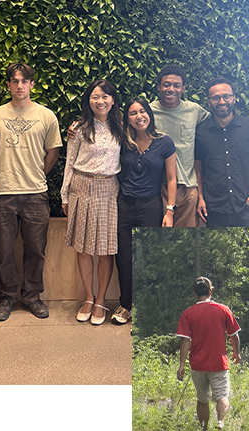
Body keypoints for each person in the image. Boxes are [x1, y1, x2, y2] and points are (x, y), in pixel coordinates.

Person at [0, 63, 62, 322]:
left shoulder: (46, 116)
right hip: (3, 192)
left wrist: (39, 173)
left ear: (32, 84)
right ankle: (7, 296)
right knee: (3, 250)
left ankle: (32, 295)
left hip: (35, 193)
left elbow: (53, 150)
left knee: (36, 249)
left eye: (25, 81)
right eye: (15, 81)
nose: (20, 85)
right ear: (8, 85)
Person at [60, 79, 122, 326]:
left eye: (105, 96)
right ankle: (88, 297)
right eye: (95, 96)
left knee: (106, 249)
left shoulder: (122, 127)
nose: (100, 101)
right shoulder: (79, 128)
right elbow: (69, 161)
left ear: (113, 100)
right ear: (88, 100)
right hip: (82, 186)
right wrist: (64, 194)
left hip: (109, 188)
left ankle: (101, 300)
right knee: (84, 247)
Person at [111, 97, 177, 325]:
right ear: (127, 119)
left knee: (149, 256)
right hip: (125, 204)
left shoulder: (164, 142)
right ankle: (126, 305)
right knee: (124, 258)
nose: (139, 116)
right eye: (132, 113)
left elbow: (171, 178)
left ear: (149, 114)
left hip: (151, 205)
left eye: (142, 111)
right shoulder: (122, 142)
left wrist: (169, 211)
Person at [195, 77, 249, 227]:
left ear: (234, 99)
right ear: (209, 102)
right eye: (216, 98)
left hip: (248, 205)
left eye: (226, 96)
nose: (222, 102)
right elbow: (198, 168)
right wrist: (201, 198)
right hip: (214, 208)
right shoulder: (200, 132)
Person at [176, 277, 241, 431]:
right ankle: (220, 424)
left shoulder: (188, 313)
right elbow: (234, 335)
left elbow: (185, 340)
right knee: (222, 397)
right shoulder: (223, 309)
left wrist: (182, 364)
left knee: (202, 400)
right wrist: (236, 352)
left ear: (194, 294)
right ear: (210, 292)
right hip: (219, 363)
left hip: (198, 365)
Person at [149, 65, 208, 227]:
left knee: (186, 240)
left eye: (176, 85)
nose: (171, 89)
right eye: (166, 84)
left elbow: (219, 124)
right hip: (157, 187)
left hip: (188, 187)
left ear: (183, 89)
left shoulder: (194, 110)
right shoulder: (148, 112)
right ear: (158, 87)